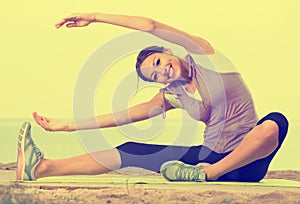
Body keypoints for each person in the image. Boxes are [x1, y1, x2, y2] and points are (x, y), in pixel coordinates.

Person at [17, 12, 289, 182]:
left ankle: (207, 175)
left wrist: (96, 17)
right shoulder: (173, 94)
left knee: (275, 122)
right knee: (130, 149)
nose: (162, 72)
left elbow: (150, 24)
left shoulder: (205, 56)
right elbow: (121, 117)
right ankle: (41, 168)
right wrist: (66, 126)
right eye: (155, 76)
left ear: (168, 51)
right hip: (208, 155)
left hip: (248, 162)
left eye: (158, 62)